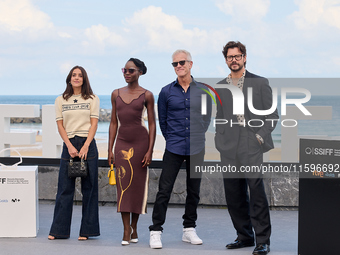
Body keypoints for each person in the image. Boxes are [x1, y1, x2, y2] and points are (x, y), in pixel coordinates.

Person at [215, 41, 278, 255]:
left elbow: (273, 115)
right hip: (228, 145)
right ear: (226, 60)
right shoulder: (221, 86)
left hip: (251, 141)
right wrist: (219, 139)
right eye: (230, 57)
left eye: (237, 56)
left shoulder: (260, 83)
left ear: (244, 57)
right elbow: (220, 117)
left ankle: (263, 240)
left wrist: (259, 136)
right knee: (233, 193)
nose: (234, 60)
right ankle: (244, 236)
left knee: (256, 191)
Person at [149, 49, 212, 249]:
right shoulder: (166, 91)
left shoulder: (203, 90)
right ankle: (156, 231)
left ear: (191, 64)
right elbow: (163, 121)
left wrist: (196, 136)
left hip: (196, 147)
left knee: (194, 191)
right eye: (175, 64)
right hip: (174, 147)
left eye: (182, 62)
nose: (178, 66)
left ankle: (189, 229)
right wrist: (172, 138)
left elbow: (206, 118)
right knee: (164, 190)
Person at [48, 66, 100, 240]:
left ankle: (87, 231)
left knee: (89, 189)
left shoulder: (93, 99)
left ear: (84, 79)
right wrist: (69, 146)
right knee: (64, 189)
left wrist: (86, 146)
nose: (76, 78)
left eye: (80, 75)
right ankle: (58, 231)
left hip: (88, 145)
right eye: (73, 75)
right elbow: (60, 125)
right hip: (69, 145)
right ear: (69, 79)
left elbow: (93, 124)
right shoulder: (60, 100)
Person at [108, 58, 156, 245]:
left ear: (140, 72)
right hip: (122, 142)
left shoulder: (148, 95)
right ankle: (126, 229)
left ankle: (134, 227)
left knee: (137, 187)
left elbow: (152, 124)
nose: (126, 73)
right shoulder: (115, 94)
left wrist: (150, 150)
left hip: (140, 143)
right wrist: (110, 148)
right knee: (123, 186)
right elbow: (113, 122)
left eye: (131, 70)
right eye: (124, 70)